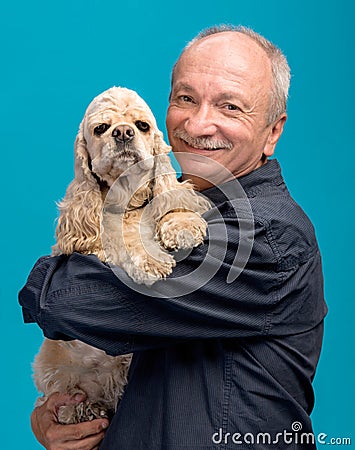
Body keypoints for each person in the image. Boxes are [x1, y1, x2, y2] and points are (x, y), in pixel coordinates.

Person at [19, 25, 327, 449]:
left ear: (272, 132)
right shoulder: (161, 208)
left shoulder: (265, 236)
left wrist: (51, 280)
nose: (199, 124)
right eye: (185, 99)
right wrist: (51, 416)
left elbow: (67, 303)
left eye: (230, 107)